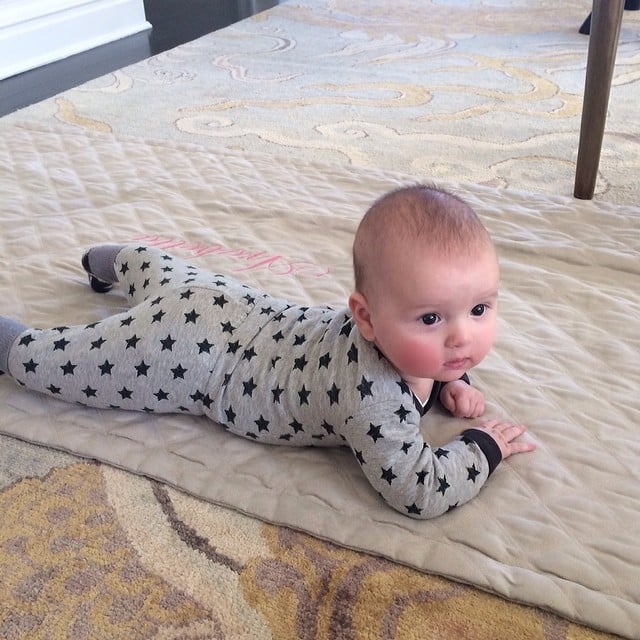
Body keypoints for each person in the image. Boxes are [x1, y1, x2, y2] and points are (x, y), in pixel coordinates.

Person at [0, 185, 535, 518]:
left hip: (241, 307)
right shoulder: (375, 398)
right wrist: (481, 448)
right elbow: (419, 490)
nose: (462, 339)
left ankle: (112, 260)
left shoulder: (410, 347)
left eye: (481, 309)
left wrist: (449, 382)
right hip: (196, 354)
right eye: (432, 318)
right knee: (67, 361)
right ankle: (13, 345)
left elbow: (427, 356)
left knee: (167, 273)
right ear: (365, 318)